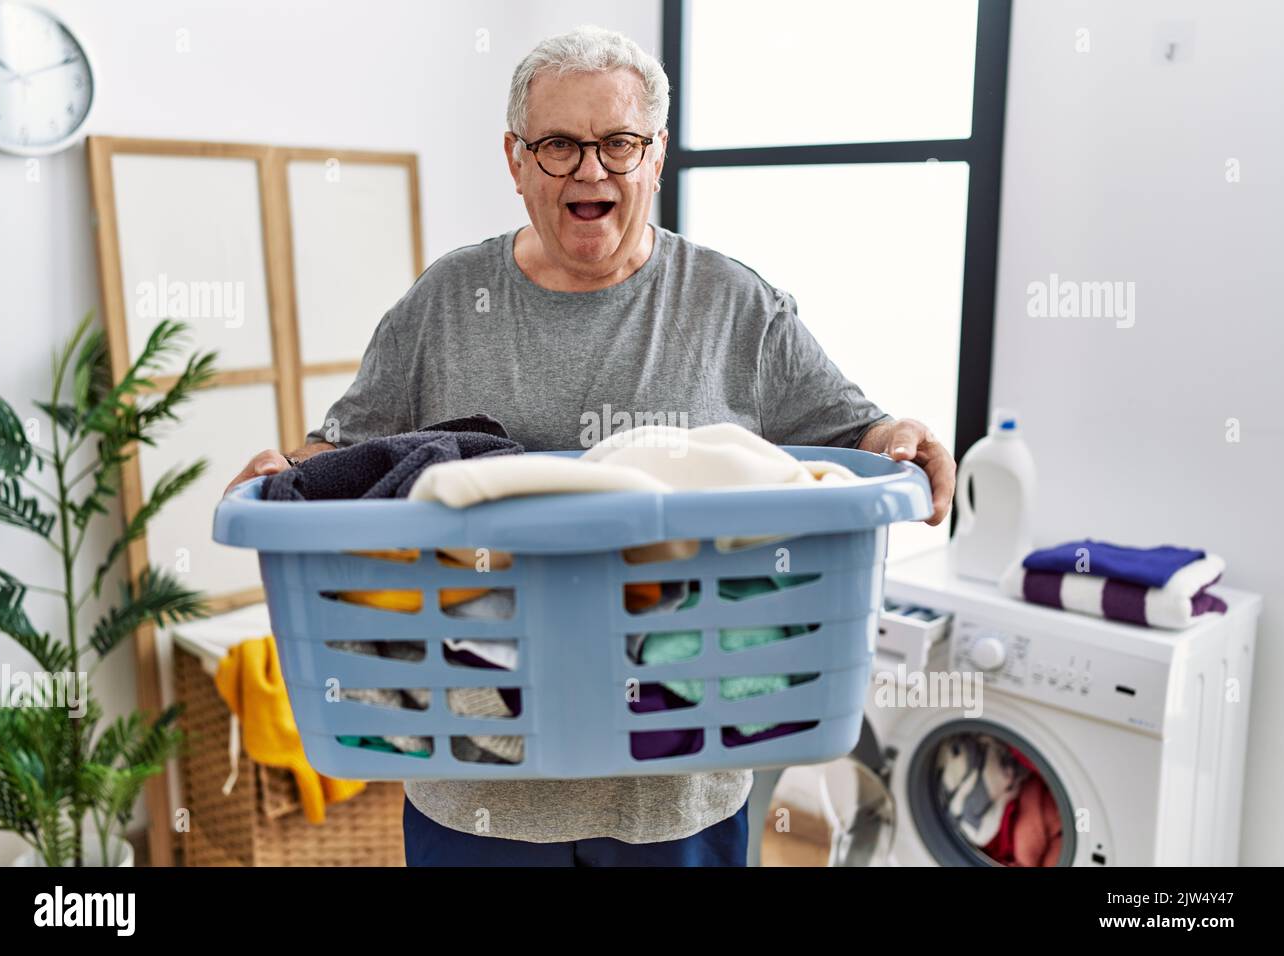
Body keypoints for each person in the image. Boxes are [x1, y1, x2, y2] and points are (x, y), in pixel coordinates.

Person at [225, 24, 956, 866]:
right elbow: (349, 456)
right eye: (560, 145)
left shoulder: (733, 304)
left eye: (617, 143)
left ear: (656, 155)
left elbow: (847, 434)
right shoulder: (445, 302)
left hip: (676, 789)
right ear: (517, 160)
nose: (590, 170)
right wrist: (286, 469)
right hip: (477, 798)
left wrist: (900, 436)